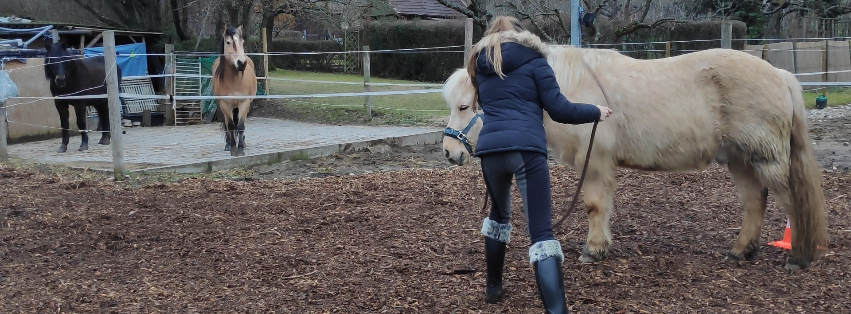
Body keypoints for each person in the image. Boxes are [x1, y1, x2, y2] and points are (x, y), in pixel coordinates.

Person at [467, 16, 612, 313]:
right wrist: (594, 111)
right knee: (542, 233)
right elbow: (559, 109)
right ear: (522, 36)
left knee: (498, 216)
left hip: (490, 151)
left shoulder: (479, 64)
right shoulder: (535, 60)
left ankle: (493, 288)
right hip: (526, 150)